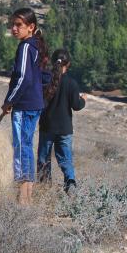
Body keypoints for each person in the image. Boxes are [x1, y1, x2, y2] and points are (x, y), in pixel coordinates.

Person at [1, 8, 48, 205]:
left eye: (19, 25)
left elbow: (22, 78)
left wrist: (9, 100)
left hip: (24, 105)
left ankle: (22, 197)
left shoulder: (26, 47)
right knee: (27, 146)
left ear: (31, 27)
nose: (14, 28)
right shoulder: (36, 46)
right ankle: (27, 194)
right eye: (13, 24)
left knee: (20, 147)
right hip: (34, 103)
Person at [37, 48, 86, 193]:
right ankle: (70, 183)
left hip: (47, 126)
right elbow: (76, 106)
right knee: (65, 159)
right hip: (65, 128)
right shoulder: (72, 83)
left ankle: (43, 188)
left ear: (53, 62)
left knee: (44, 159)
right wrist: (83, 100)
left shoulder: (45, 80)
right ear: (68, 64)